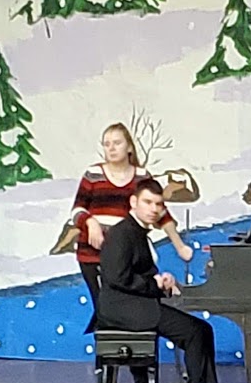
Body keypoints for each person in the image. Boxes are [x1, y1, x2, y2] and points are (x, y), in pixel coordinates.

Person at [96, 179, 236, 383]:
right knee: (195, 331)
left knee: (202, 330)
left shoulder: (137, 232)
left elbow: (137, 274)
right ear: (133, 202)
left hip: (135, 304)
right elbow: (117, 278)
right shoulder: (121, 233)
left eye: (158, 204)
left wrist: (162, 282)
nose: (153, 209)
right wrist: (155, 284)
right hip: (123, 308)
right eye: (148, 202)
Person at [55, 123, 194, 315]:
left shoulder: (141, 177)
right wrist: (90, 222)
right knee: (104, 307)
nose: (111, 148)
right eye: (107, 144)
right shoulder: (93, 175)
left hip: (129, 255)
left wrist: (179, 246)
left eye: (117, 143)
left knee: (130, 306)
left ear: (129, 147)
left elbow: (161, 213)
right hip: (93, 253)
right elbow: (78, 209)